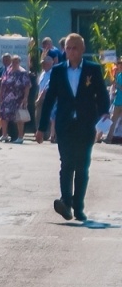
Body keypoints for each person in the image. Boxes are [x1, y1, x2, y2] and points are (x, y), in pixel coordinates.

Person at [36, 32, 110, 222]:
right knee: (66, 164)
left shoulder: (92, 70)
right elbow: (50, 98)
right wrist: (42, 127)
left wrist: (104, 113)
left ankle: (79, 207)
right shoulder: (59, 71)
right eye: (67, 48)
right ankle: (66, 203)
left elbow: (101, 94)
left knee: (82, 166)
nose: (70, 51)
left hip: (85, 125)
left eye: (74, 48)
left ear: (82, 49)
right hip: (65, 124)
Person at [0, 55, 32, 142]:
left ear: (19, 62)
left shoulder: (22, 72)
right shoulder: (8, 71)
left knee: (19, 117)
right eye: (13, 61)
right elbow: (2, 84)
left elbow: (27, 85)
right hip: (6, 97)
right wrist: (0, 96)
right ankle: (4, 135)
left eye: (16, 61)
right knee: (4, 116)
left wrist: (25, 98)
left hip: (18, 98)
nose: (14, 63)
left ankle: (20, 137)